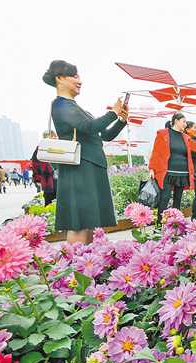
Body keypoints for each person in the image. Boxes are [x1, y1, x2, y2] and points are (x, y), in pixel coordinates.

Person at [44, 59, 128, 244]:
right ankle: (75, 266)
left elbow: (104, 134)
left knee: (88, 220)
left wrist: (121, 120)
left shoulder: (73, 106)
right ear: (60, 78)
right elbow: (90, 126)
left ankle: (86, 265)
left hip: (88, 166)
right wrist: (112, 113)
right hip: (79, 168)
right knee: (79, 221)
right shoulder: (60, 105)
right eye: (74, 76)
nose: (79, 80)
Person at [149, 113, 196, 224]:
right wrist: (152, 168)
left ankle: (175, 226)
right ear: (176, 121)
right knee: (164, 199)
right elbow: (156, 152)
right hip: (167, 173)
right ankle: (159, 225)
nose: (185, 124)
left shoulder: (186, 137)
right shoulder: (163, 134)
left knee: (177, 200)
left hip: (182, 174)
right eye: (183, 121)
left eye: (186, 122)